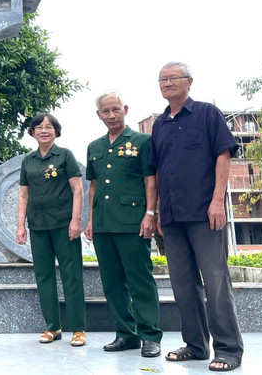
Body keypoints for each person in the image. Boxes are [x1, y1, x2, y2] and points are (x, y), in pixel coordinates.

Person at [149, 62, 243, 372]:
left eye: (173, 77)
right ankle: (196, 344)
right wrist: (159, 210)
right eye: (163, 79)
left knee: (215, 281)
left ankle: (228, 350)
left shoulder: (206, 113)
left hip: (205, 213)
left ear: (189, 81)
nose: (168, 83)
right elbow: (158, 170)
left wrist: (217, 201)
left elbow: (223, 155)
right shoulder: (159, 124)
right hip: (173, 216)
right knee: (182, 283)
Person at [85, 91, 162, 358]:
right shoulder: (94, 147)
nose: (111, 115)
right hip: (104, 223)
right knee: (112, 282)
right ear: (99, 114)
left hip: (133, 222)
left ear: (125, 109)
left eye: (115, 109)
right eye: (105, 111)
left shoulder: (142, 141)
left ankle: (150, 335)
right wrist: (91, 220)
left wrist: (150, 213)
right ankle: (125, 334)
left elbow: (150, 179)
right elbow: (93, 186)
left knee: (140, 279)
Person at [16, 113, 87, 347]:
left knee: (71, 275)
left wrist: (76, 220)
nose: (44, 130)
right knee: (44, 275)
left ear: (56, 131)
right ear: (33, 132)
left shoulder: (65, 156)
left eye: (49, 127)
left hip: (64, 224)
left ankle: (78, 329)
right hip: (38, 225)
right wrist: (20, 225)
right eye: (39, 127)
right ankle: (52, 327)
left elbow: (78, 190)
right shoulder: (28, 161)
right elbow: (24, 194)